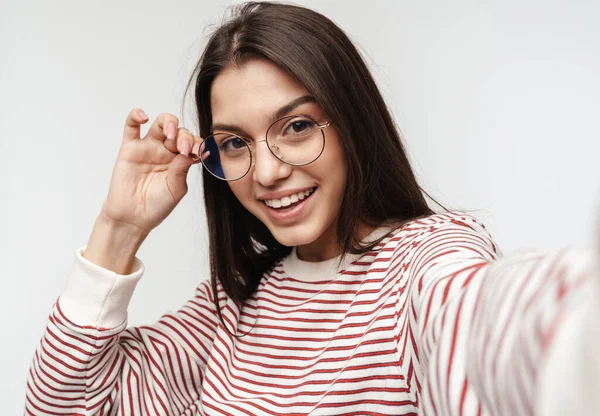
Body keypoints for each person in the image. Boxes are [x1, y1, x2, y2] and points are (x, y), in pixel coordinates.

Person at [25, 2, 599, 415]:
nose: (269, 172)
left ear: (351, 122)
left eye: (296, 127)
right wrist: (119, 228)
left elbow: (486, 321)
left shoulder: (427, 260)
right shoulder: (229, 310)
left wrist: (576, 321)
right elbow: (66, 404)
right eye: (235, 143)